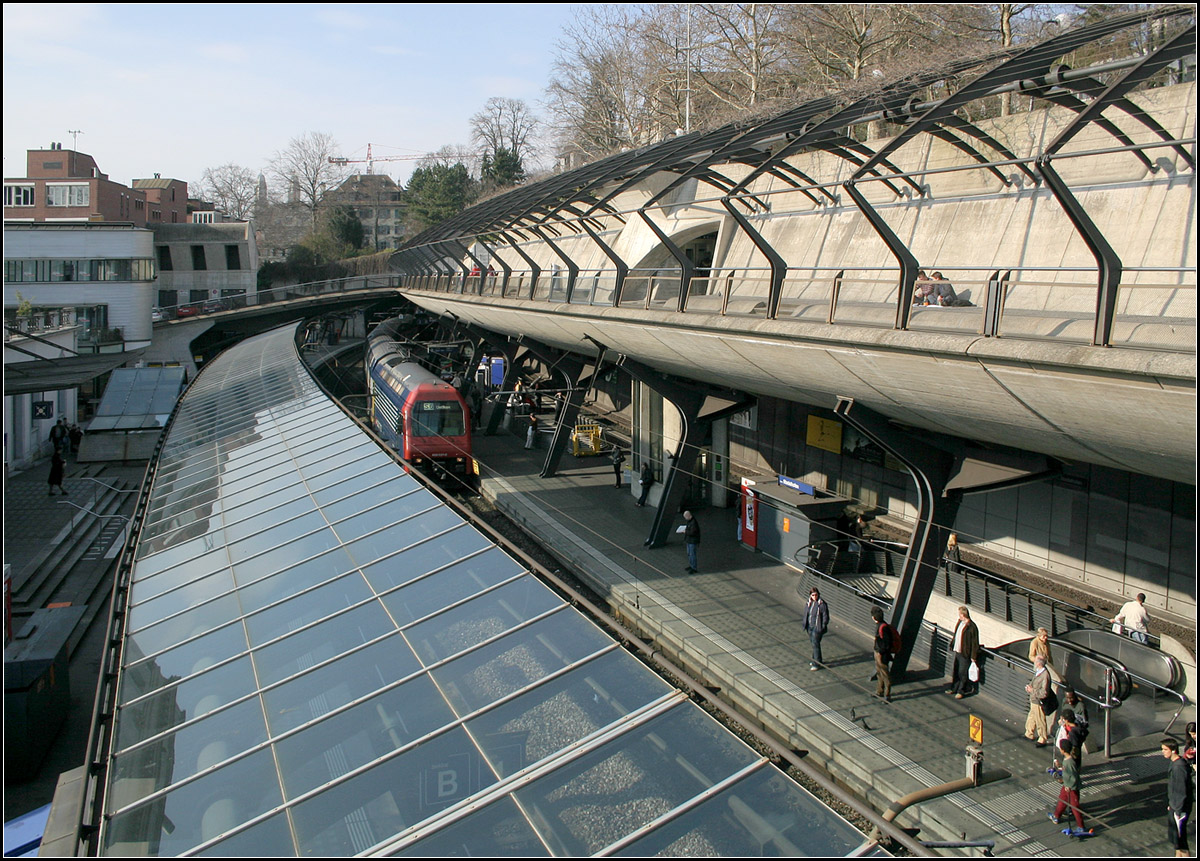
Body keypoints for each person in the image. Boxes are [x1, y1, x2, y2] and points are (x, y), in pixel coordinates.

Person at [1049, 740, 1090, 834]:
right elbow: (1066, 771)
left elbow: (1074, 776)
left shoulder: (1070, 762)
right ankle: (1056, 816)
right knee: (1062, 799)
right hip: (1067, 786)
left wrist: (1069, 786)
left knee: (1075, 807)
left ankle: (1081, 826)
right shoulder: (1067, 759)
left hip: (1071, 788)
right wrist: (1059, 766)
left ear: (1063, 750)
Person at [1163, 737, 1193, 856]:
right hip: (1175, 806)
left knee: (1181, 842)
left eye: (1165, 749)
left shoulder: (1178, 767)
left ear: (1173, 750)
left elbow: (1181, 790)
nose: (1163, 752)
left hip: (1179, 809)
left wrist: (1177, 809)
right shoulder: (1176, 763)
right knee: (1177, 841)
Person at [948, 605, 979, 698]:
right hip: (958, 651)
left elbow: (975, 643)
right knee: (956, 670)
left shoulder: (971, 627)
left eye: (960, 614)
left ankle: (961, 691)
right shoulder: (960, 623)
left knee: (962, 672)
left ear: (963, 614)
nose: (959, 616)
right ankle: (954, 688)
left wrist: (973, 656)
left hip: (965, 653)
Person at [870, 606, 897, 702]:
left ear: (874, 617)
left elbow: (886, 643)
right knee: (879, 673)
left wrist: (881, 652)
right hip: (878, 652)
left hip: (881, 655)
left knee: (885, 675)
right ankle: (879, 691)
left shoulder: (883, 627)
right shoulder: (881, 625)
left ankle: (887, 695)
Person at [1025, 655, 1052, 747]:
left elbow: (1044, 693)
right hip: (1034, 699)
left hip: (1038, 701)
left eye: (1035, 661)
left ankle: (1042, 738)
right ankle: (1029, 733)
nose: (1034, 662)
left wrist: (1032, 690)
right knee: (1032, 716)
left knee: (1040, 719)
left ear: (1039, 663)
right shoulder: (1038, 672)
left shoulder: (1045, 675)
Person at [803, 587, 829, 671]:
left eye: (816, 595)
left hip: (817, 627)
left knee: (815, 644)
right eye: (813, 595)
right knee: (814, 644)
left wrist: (822, 626)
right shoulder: (809, 603)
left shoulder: (822, 604)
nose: (814, 597)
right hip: (809, 626)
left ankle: (816, 664)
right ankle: (817, 660)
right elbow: (807, 614)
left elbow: (825, 616)